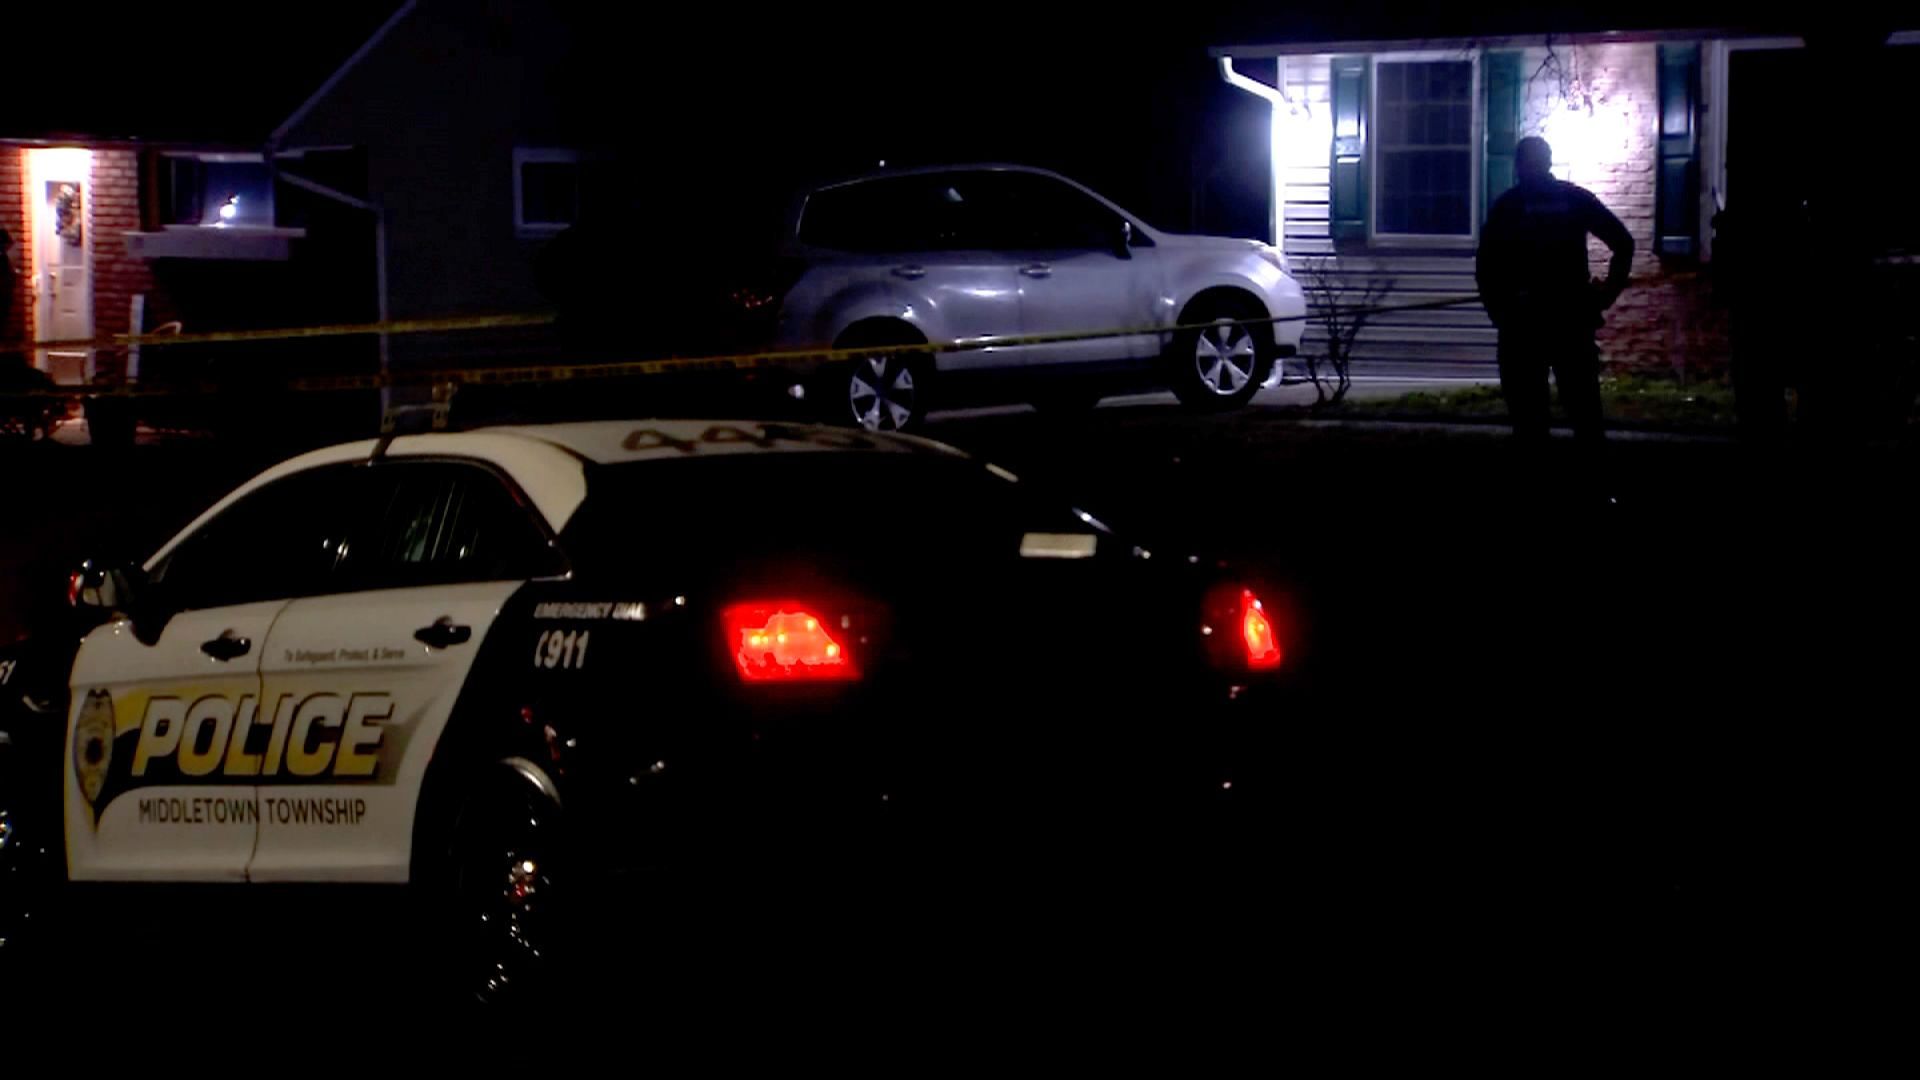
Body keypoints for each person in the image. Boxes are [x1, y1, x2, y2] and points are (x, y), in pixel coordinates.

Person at [1476, 136, 1634, 447]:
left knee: (1530, 422)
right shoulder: (1574, 199)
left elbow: (1486, 268)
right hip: (1568, 321)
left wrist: (1500, 311)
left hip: (1525, 326)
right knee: (1584, 417)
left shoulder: (1508, 206)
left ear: (1518, 165)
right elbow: (1623, 243)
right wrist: (1606, 294)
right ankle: (1592, 486)